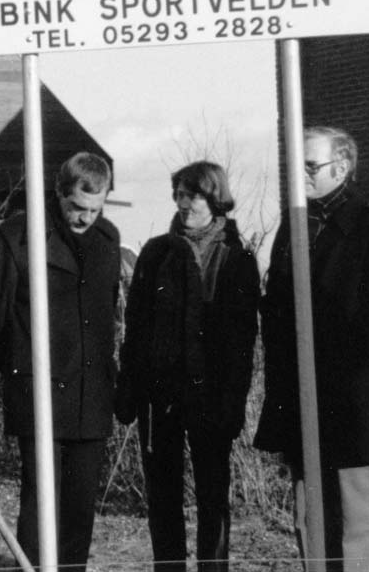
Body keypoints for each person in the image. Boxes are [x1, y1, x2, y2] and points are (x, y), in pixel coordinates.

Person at [254, 127, 369, 572]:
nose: (299, 175)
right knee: (311, 510)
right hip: (299, 396)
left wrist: (337, 361)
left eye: (310, 166)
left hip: (348, 394)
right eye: (294, 166)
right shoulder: (293, 225)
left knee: (357, 511)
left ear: (341, 169)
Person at [0, 151, 121, 571]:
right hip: (39, 391)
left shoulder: (108, 239)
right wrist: (23, 367)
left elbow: (108, 313)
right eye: (77, 207)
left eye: (95, 209)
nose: (85, 218)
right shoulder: (18, 236)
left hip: (91, 395)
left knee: (79, 510)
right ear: (59, 192)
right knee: (40, 505)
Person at [115, 161, 259, 572]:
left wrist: (233, 403)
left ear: (215, 198)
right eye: (178, 194)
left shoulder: (236, 257)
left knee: (213, 496)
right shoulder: (156, 252)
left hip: (211, 397)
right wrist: (129, 388)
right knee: (162, 497)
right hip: (160, 397)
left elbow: (243, 342)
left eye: (192, 195)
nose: (182, 203)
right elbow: (136, 327)